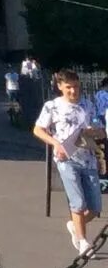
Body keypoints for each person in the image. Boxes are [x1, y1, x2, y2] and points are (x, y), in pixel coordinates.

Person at [33, 69, 102, 255]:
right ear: (60, 87)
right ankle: (83, 242)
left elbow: (100, 129)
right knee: (78, 203)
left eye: (76, 87)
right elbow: (38, 129)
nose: (73, 91)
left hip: (88, 158)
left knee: (95, 207)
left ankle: (74, 225)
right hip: (66, 158)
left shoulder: (87, 104)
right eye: (69, 87)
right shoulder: (52, 106)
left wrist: (92, 130)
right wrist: (55, 143)